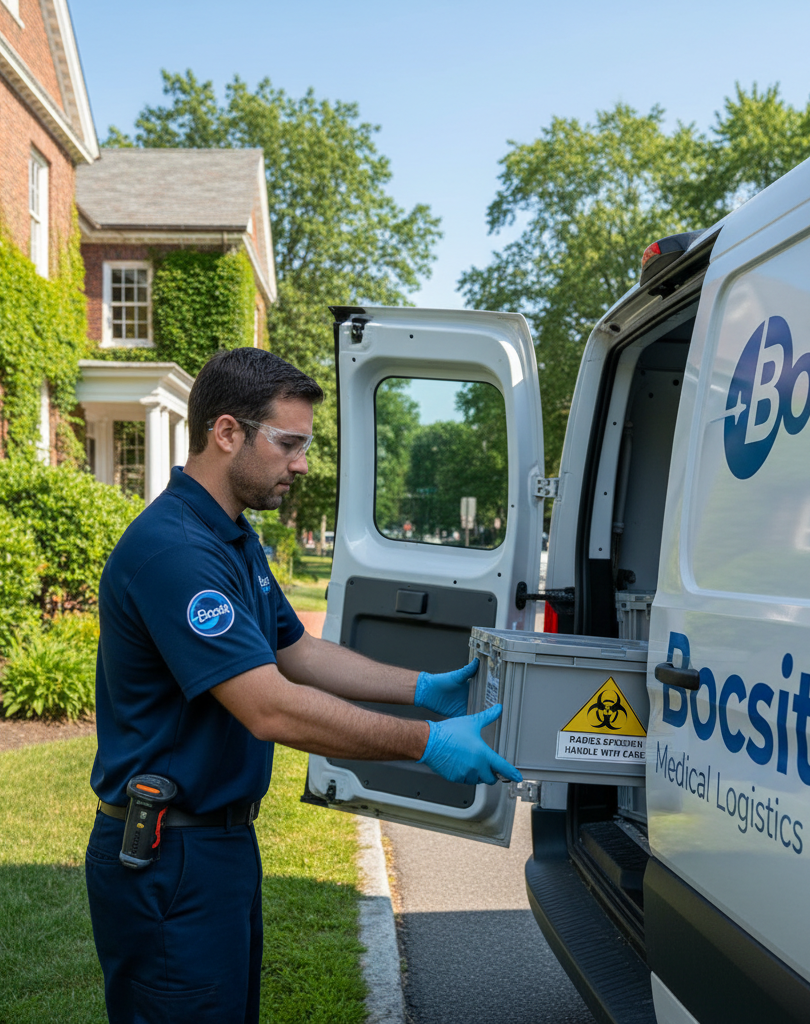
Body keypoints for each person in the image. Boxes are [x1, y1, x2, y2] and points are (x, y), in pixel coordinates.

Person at [85, 347, 520, 1024]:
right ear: (226, 432)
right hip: (171, 854)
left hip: (216, 845)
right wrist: (426, 745)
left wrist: (424, 687)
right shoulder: (176, 552)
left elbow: (299, 653)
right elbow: (269, 707)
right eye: (288, 443)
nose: (302, 464)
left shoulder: (231, 537)